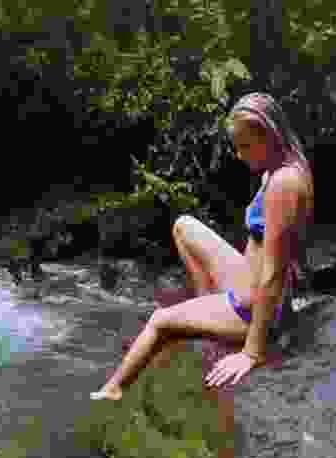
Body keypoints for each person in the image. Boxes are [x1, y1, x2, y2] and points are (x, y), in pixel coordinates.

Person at [90, 92, 315, 401]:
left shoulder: (284, 184)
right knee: (184, 226)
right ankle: (206, 317)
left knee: (159, 322)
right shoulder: (279, 169)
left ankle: (112, 392)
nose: (239, 155)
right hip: (246, 284)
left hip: (253, 309)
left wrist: (252, 352)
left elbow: (274, 273)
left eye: (245, 146)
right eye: (237, 146)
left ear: (268, 135)